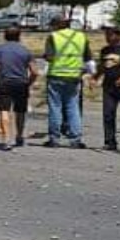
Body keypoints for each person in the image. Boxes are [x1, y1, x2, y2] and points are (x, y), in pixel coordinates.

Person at [43, 17, 91, 149]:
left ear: (56, 25)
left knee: (55, 107)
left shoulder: (53, 37)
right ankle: (75, 139)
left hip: (56, 75)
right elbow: (88, 57)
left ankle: (54, 139)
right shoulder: (81, 37)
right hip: (74, 76)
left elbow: (49, 56)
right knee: (73, 107)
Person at [0, 27, 38, 151]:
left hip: (4, 82)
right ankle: (19, 135)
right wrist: (28, 83)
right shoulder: (25, 51)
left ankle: (6, 139)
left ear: (5, 35)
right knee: (20, 111)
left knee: (4, 110)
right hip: (21, 83)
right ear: (19, 36)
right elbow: (35, 72)